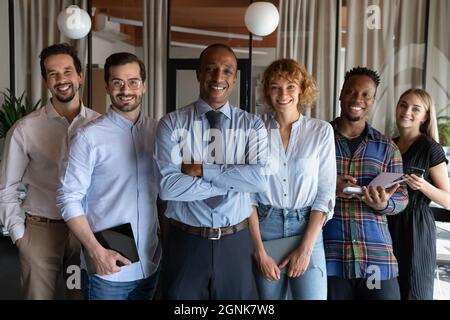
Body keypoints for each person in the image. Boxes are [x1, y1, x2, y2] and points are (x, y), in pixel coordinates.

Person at [154, 43, 268, 299]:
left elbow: (259, 180)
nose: (218, 78)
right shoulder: (171, 124)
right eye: (211, 69)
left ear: (235, 79)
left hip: (235, 243)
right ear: (198, 74)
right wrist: (235, 180)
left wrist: (203, 169)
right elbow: (169, 187)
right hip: (186, 242)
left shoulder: (252, 126)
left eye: (227, 71)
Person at [56, 52, 161, 300]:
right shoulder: (88, 137)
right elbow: (67, 198)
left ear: (144, 86)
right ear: (107, 86)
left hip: (152, 263)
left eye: (133, 81)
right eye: (117, 82)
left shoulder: (158, 131)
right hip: (109, 269)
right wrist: (96, 252)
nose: (126, 90)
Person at [0, 43, 100, 299]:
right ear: (46, 81)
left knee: (78, 296)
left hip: (84, 232)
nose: (61, 79)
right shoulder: (25, 129)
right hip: (40, 232)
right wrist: (19, 236)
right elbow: (7, 187)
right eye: (53, 74)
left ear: (80, 76)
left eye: (67, 71)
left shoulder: (100, 126)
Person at [248, 59, 336, 300]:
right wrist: (259, 251)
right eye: (275, 86)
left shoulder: (321, 131)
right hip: (265, 228)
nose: (283, 94)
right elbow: (247, 195)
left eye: (290, 87)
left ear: (302, 90)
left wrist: (306, 249)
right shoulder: (254, 130)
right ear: (267, 91)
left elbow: (325, 192)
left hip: (307, 227)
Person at [323, 66, 409, 300]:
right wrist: (331, 188)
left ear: (373, 100)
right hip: (329, 256)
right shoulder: (317, 139)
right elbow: (297, 186)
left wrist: (383, 204)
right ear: (341, 93)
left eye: (365, 95)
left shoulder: (387, 148)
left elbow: (402, 197)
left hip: (376, 257)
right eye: (351, 91)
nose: (357, 99)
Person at [387, 89, 450, 300]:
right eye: (403, 105)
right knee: (389, 290)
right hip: (386, 224)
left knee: (415, 291)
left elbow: (447, 199)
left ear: (425, 116)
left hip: (416, 227)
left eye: (416, 108)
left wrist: (422, 185)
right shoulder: (388, 145)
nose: (407, 111)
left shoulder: (431, 149)